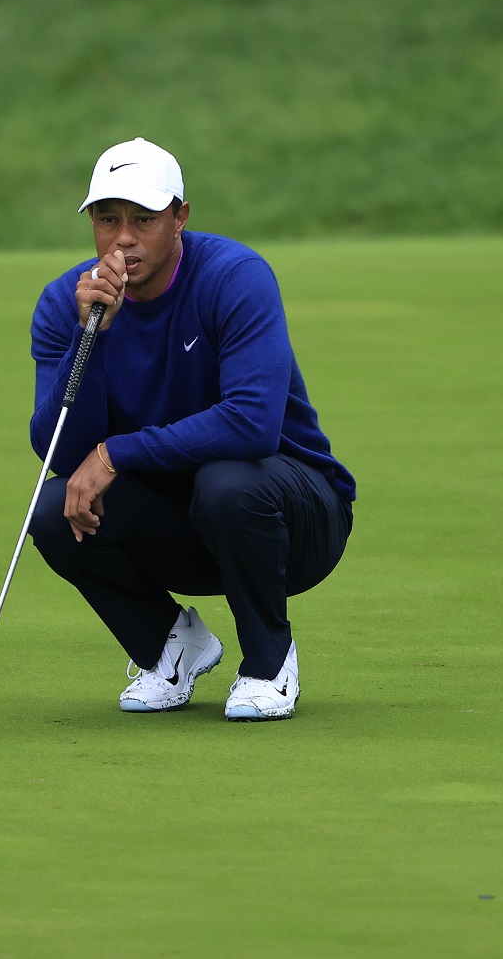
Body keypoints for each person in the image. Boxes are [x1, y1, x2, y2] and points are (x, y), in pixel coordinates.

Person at [25, 138, 355, 721]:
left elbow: (253, 425)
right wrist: (91, 340)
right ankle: (168, 646)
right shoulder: (65, 304)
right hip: (180, 523)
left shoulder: (235, 277)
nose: (123, 238)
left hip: (294, 518)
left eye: (144, 219)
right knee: (53, 509)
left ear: (180, 218)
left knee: (227, 482)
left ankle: (268, 663)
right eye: (107, 220)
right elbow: (61, 450)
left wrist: (116, 452)